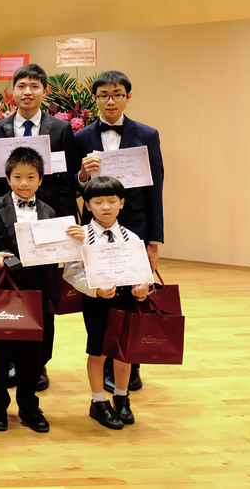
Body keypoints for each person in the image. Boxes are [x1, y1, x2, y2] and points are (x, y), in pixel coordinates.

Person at [0, 63, 81, 390]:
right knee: (10, 292)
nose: (28, 92)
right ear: (12, 91)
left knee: (43, 295)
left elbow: (67, 183)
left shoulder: (59, 129)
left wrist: (68, 228)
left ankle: (39, 363)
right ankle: (11, 357)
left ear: (44, 91)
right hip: (7, 224)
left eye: (34, 86)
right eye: (21, 86)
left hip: (48, 223)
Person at [0, 147, 78, 434]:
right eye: (17, 176)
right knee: (1, 353)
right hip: (5, 288)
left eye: (30, 177)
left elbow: (56, 250)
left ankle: (29, 406)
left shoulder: (50, 211)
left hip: (36, 290)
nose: (23, 183)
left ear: (41, 180)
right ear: (7, 178)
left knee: (33, 353)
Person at [74, 70, 164, 393]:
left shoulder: (147, 134)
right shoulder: (82, 137)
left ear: (128, 96)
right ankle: (106, 364)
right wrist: (82, 176)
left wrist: (154, 241)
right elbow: (74, 184)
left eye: (117, 94)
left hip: (135, 228)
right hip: (96, 229)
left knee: (133, 298)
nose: (110, 100)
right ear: (95, 98)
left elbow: (156, 188)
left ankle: (131, 363)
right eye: (103, 95)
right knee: (103, 297)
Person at [62, 176, 150, 430]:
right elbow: (71, 272)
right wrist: (95, 290)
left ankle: (122, 397)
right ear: (87, 205)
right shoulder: (81, 236)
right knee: (98, 351)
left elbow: (142, 273)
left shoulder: (131, 237)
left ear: (122, 203)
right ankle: (98, 401)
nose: (106, 207)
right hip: (97, 301)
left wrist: (142, 290)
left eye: (112, 201)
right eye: (98, 202)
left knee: (124, 352)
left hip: (125, 300)